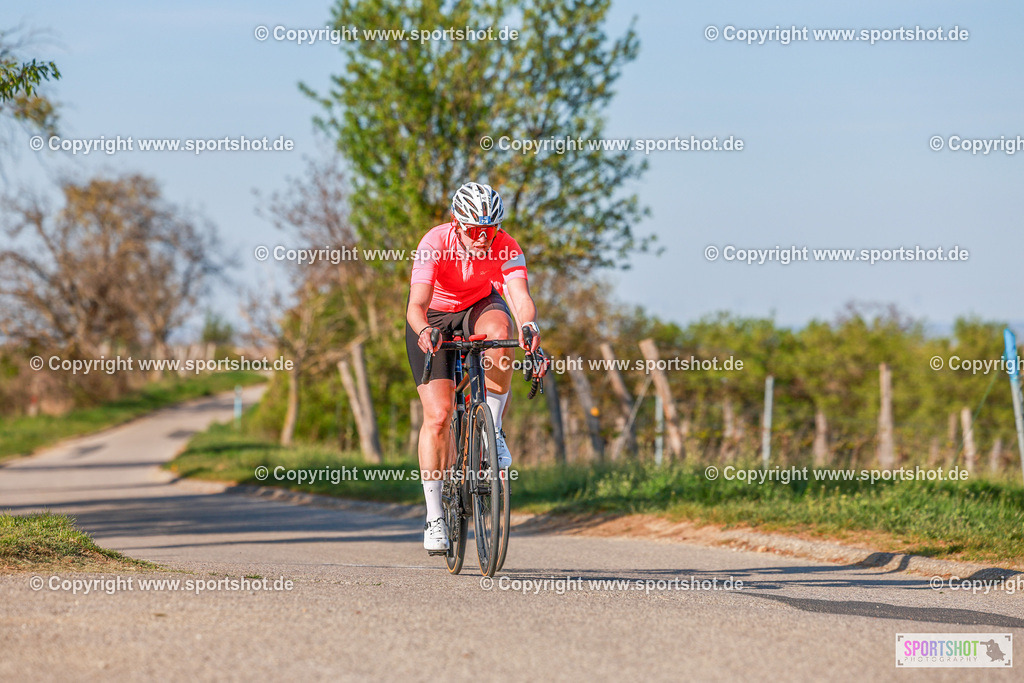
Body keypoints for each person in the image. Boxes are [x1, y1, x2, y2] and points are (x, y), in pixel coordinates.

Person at [406, 181, 543, 552]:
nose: (483, 237)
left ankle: (493, 430)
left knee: (502, 334)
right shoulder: (435, 242)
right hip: (433, 316)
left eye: (490, 229)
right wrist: (423, 332)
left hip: (480, 306)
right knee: (439, 416)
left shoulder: (506, 246)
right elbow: (415, 307)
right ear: (456, 222)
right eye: (474, 230)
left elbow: (520, 297)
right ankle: (435, 514)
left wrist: (530, 329)